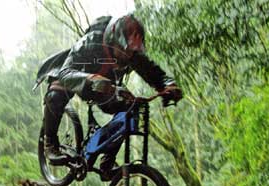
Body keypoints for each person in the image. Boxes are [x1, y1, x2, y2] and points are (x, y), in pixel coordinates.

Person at [34, 14, 182, 173]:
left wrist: (168, 86)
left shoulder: (131, 54)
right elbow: (65, 74)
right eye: (123, 50)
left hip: (106, 90)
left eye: (131, 53)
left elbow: (153, 73)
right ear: (114, 41)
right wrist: (91, 79)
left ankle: (107, 160)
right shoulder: (90, 43)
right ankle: (49, 143)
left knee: (130, 108)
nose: (128, 56)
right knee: (55, 94)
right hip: (78, 81)